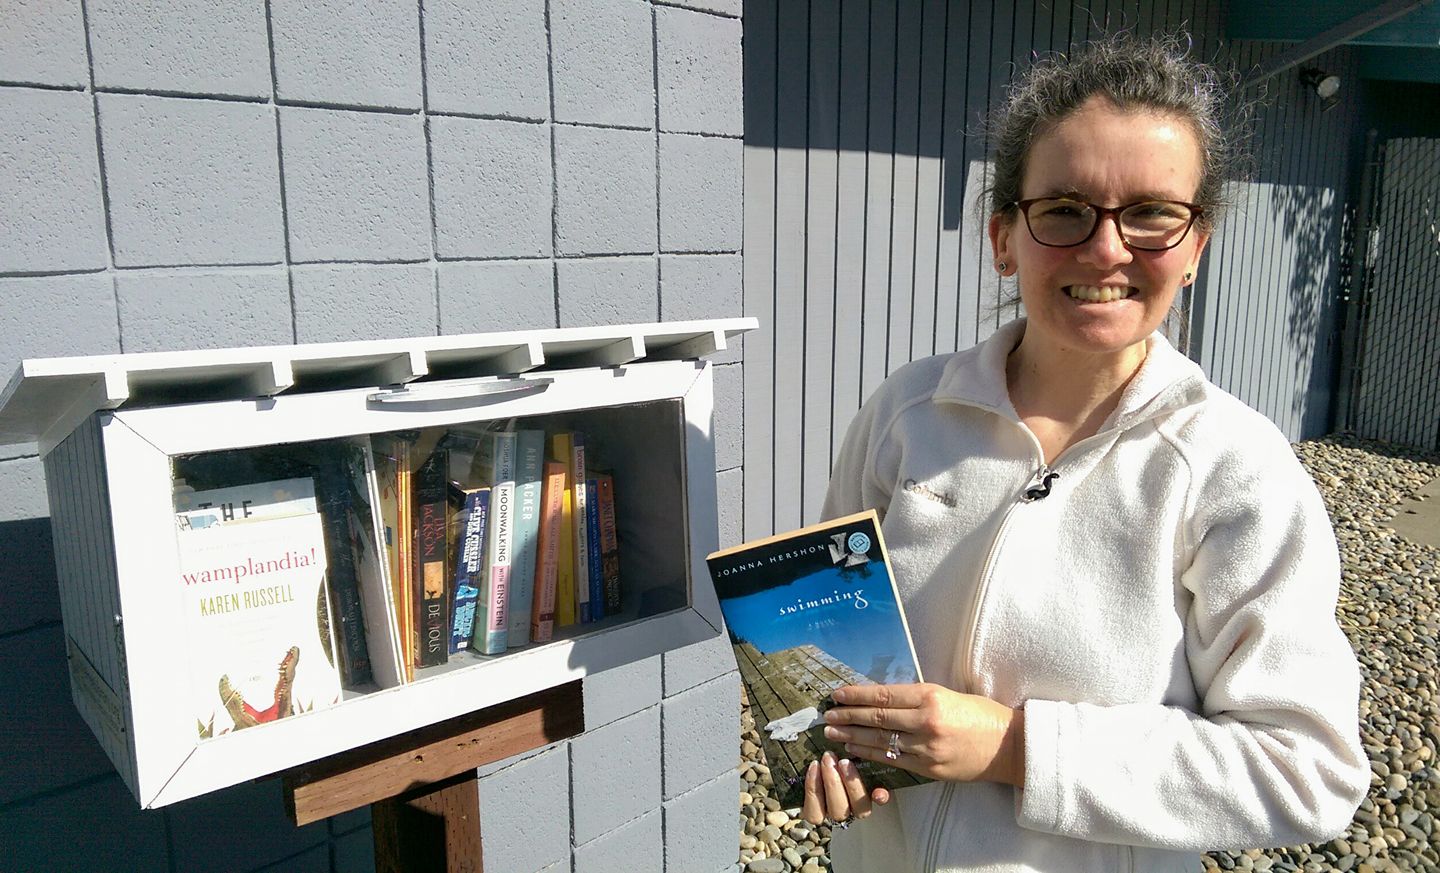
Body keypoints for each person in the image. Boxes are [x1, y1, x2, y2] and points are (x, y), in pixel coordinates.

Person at [802, 33, 1369, 873]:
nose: (1106, 248)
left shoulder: (1235, 469)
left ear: (1195, 249)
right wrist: (831, 744)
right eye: (1064, 209)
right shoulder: (904, 415)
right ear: (1005, 238)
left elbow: (1308, 770)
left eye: (1151, 213)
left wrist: (1016, 748)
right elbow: (833, 638)